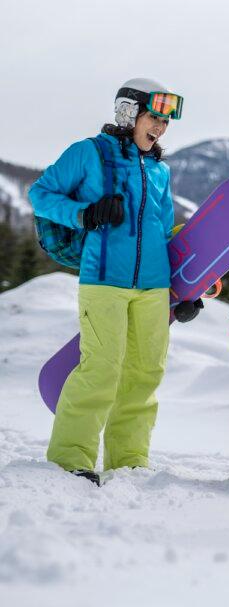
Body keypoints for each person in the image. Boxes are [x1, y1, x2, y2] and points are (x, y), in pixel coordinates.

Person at [29, 78, 201, 486]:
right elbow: (41, 194)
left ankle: (129, 461)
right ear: (128, 113)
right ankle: (70, 458)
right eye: (153, 117)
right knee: (101, 368)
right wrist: (85, 214)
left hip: (154, 287)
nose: (159, 127)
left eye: (165, 122)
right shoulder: (88, 153)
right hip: (103, 280)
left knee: (144, 374)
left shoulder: (159, 171)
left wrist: (183, 293)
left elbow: (164, 235)